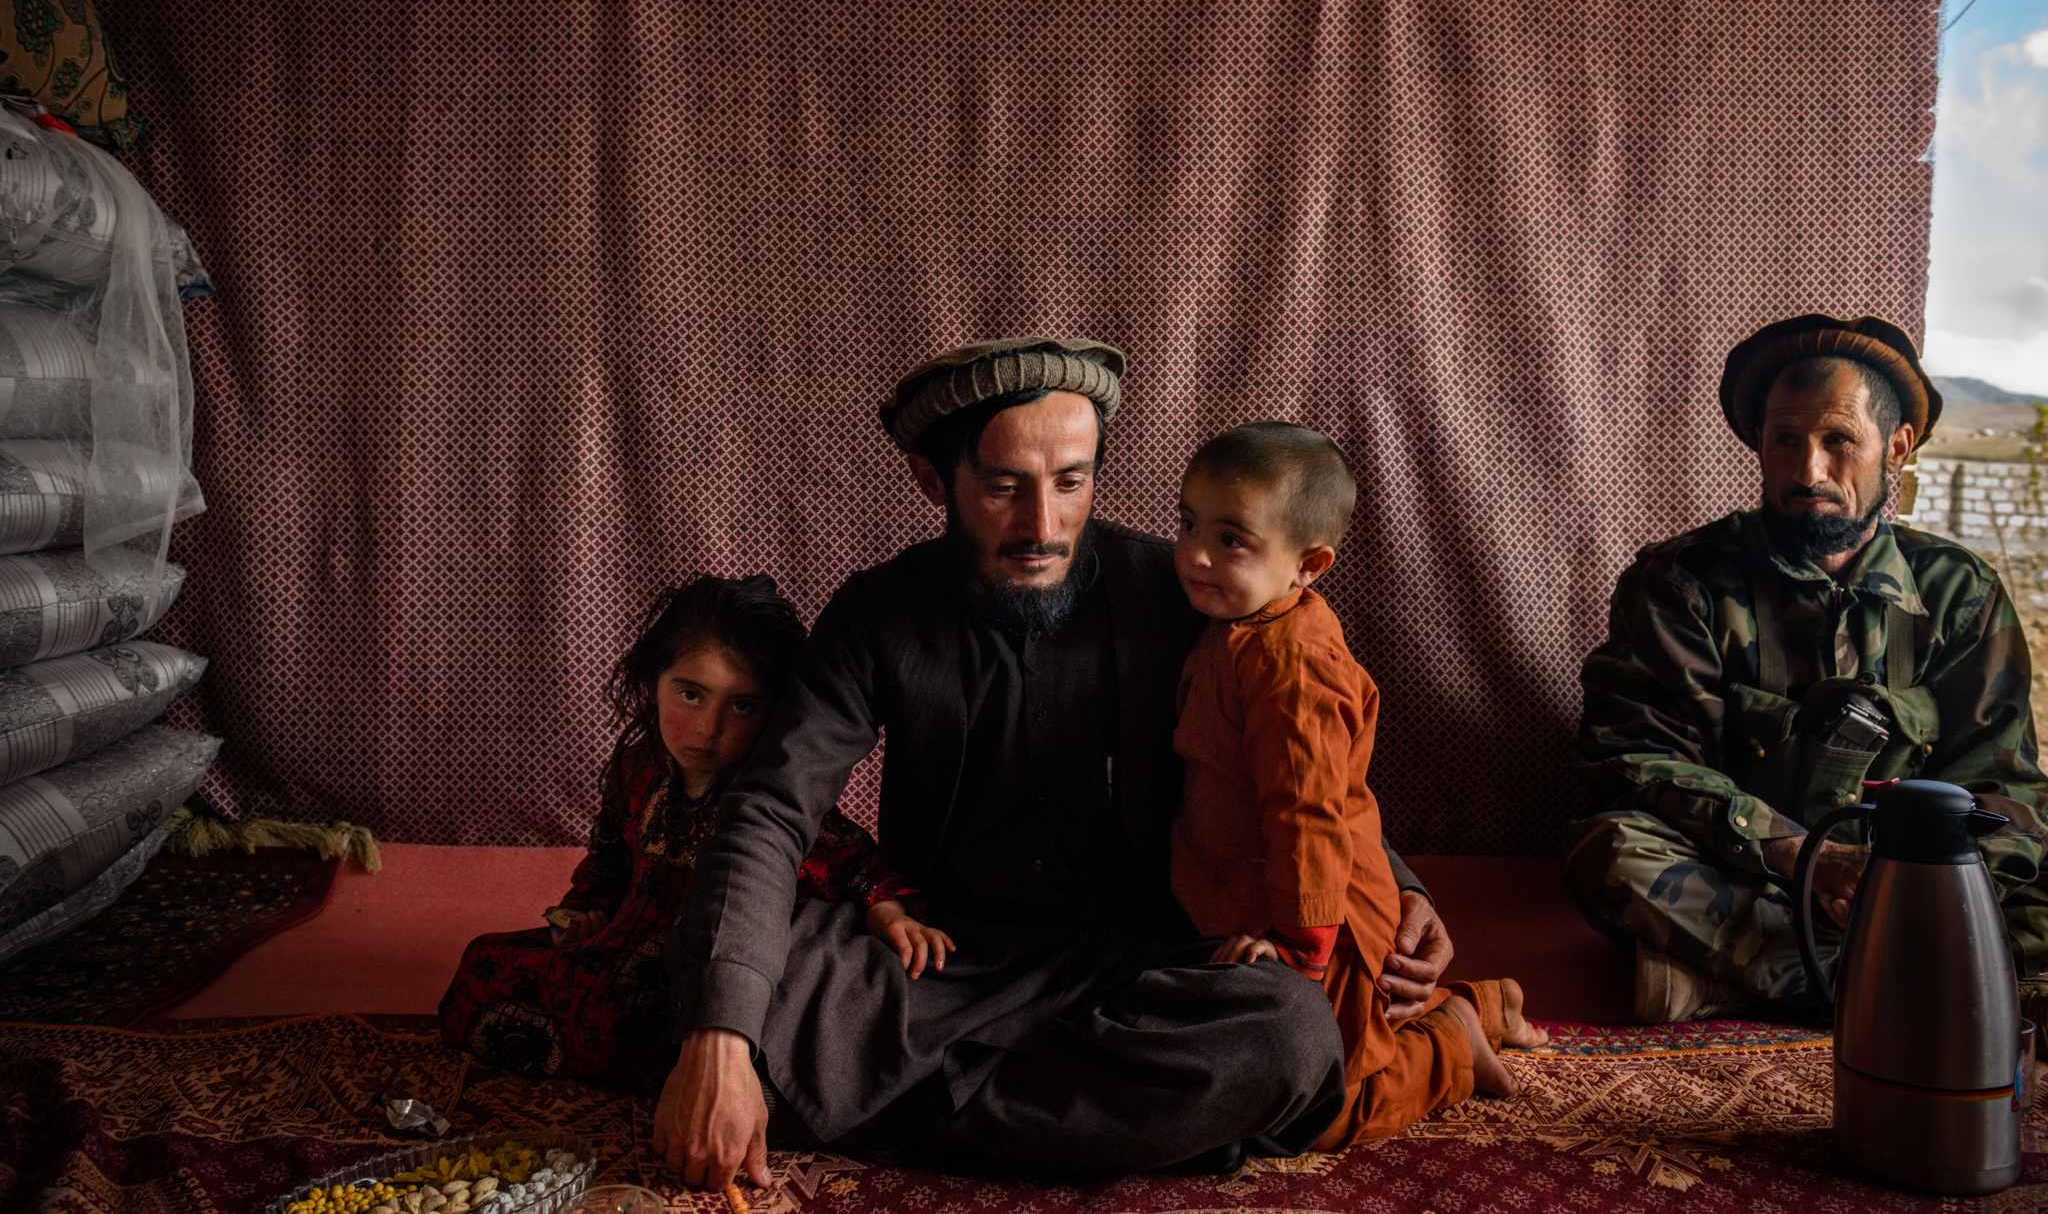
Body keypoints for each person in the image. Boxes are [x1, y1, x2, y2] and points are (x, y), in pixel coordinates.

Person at [655, 337, 1461, 1187]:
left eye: (1070, 482)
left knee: (1287, 1032)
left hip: (1145, 965)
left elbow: (1301, 759)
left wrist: (1403, 885)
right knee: (726, 988)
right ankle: (1147, 1131)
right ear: (936, 483)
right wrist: (718, 1042)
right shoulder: (877, 612)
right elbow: (773, 809)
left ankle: (902, 1112)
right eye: (1005, 487)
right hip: (938, 962)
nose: (1043, 525)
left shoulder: (1179, 588)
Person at [1566, 314, 2048, 1023]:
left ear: (1897, 447)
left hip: (1922, 887)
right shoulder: (1682, 580)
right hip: (1750, 870)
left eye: (1838, 441)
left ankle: (1734, 981)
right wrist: (1801, 855)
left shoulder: (1960, 593)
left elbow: (2003, 785)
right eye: (1785, 440)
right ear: (1759, 441)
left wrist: (1920, 884)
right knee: (1611, 852)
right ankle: (1936, 984)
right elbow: (1638, 756)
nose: (1807, 471)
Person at [1170, 421, 1547, 1147]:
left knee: (1324, 1105)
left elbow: (1305, 815)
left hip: (1321, 914)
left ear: (1308, 565)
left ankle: (1449, 1050)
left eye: (1231, 539)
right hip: (1245, 901)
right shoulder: (1241, 620)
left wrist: (1302, 944)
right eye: (1187, 523)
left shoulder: (1293, 668)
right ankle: (1482, 1007)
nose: (1194, 554)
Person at [437, 575, 950, 1088]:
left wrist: (888, 910)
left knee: (689, 1027)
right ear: (653, 682)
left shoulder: (768, 793)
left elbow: (854, 861)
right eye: (690, 695)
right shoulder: (636, 770)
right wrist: (585, 913)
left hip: (706, 970)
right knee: (484, 965)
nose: (708, 728)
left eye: (742, 705)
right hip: (620, 947)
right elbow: (608, 860)